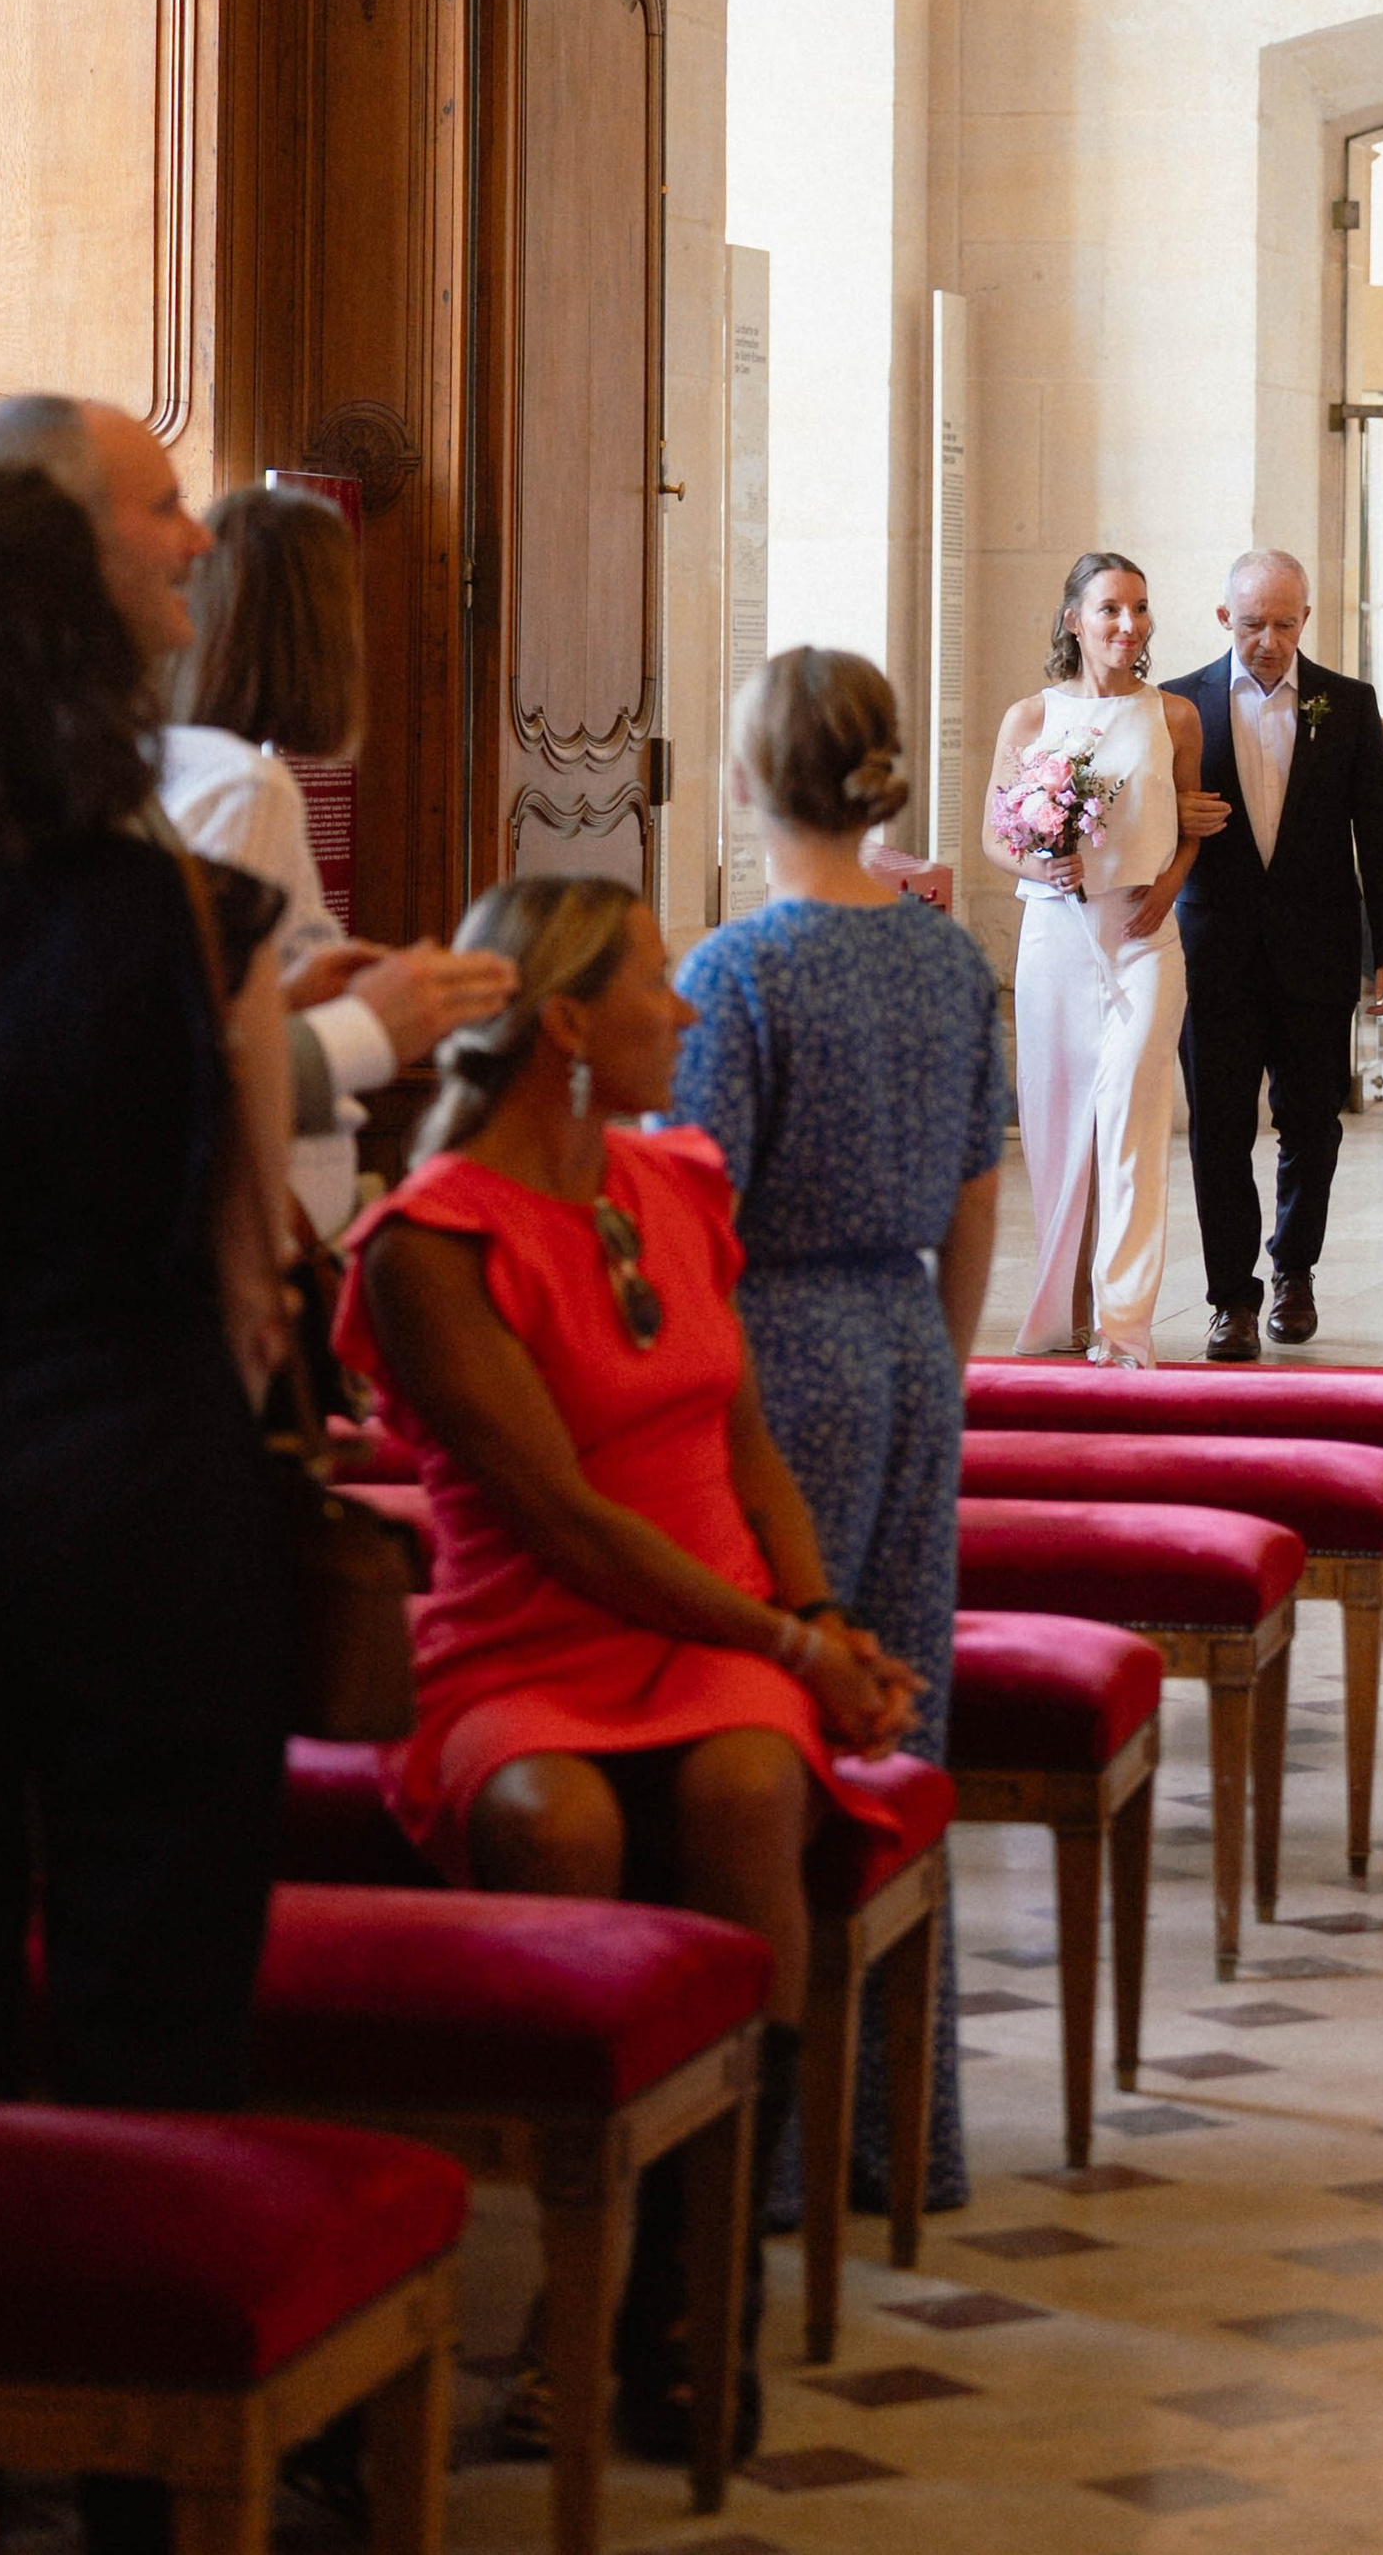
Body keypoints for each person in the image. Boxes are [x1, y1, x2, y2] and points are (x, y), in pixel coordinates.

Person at [337, 874, 918, 2458]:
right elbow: (567, 1526)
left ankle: (688, 2311)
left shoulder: (679, 1179)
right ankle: (555, 2311)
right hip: (529, 1638)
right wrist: (790, 1640)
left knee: (746, 1783)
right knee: (558, 1823)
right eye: (659, 982)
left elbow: (748, 1448)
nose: (688, 1008)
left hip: (718, 1622)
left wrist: (823, 1623)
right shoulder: (428, 1240)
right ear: (572, 1025)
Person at [0, 465, 290, 2120]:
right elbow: (254, 1266)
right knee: (158, 1991)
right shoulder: (193, 912)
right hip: (140, 1486)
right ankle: (158, 2337)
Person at [669, 647, 1008, 2224]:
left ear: (747, 781)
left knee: (779, 1718)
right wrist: (937, 1363)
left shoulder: (741, 969)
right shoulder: (950, 960)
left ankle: (777, 2153)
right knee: (897, 1726)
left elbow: (693, 1209)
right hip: (905, 1340)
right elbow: (976, 1189)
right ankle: (898, 2135)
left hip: (776, 1350)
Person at [0, 396, 495, 1171]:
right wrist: (368, 1030)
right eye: (168, 507)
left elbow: (134, 1030)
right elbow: (105, 1100)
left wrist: (276, 998)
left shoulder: (100, 767)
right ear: (62, 541)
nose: (201, 541)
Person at [162, 482, 517, 1236]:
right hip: (260, 1206)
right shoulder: (244, 787)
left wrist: (291, 990)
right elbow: (192, 1044)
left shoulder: (188, 766)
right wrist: (375, 1019)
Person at [1168, 551, 1383, 1360]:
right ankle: (1230, 1299)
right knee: (1218, 1128)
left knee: (1311, 1123)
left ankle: (1294, 1273)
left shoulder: (1345, 705)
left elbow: (1378, 836)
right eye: (1250, 624)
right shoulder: (1176, 705)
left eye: (1283, 623)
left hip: (1316, 950)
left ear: (1305, 617)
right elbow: (1139, 824)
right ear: (1222, 618)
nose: (1267, 641)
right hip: (1213, 952)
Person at [985, 551, 1217, 1365]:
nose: (1130, 625)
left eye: (1141, 608)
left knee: (1128, 1116)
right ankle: (1061, 1309)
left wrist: (1169, 888)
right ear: (1074, 619)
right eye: (1112, 609)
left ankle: (1124, 1324)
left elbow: (1191, 828)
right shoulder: (1029, 718)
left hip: (1144, 940)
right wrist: (1040, 864)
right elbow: (994, 836)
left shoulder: (1176, 716)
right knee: (1055, 1128)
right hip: (1055, 940)